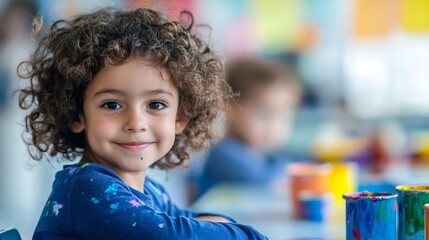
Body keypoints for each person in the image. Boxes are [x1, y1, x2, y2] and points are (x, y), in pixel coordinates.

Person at [18, 7, 267, 240]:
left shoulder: (151, 191)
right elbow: (173, 235)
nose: (136, 123)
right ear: (76, 115)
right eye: (112, 105)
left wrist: (226, 226)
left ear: (180, 118)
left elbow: (190, 222)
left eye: (156, 105)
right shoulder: (85, 189)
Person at [199, 56, 301, 196]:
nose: (275, 126)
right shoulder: (224, 153)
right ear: (230, 108)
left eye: (283, 115)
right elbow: (266, 181)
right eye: (264, 115)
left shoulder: (261, 156)